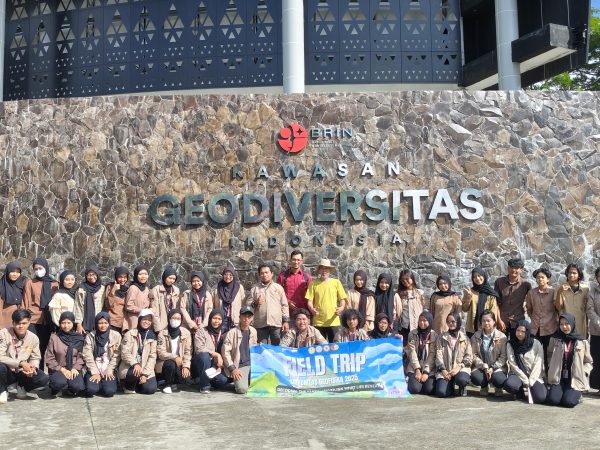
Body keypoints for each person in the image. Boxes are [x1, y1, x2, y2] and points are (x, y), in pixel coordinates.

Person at [0, 309, 49, 403]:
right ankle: (2, 390)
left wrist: (32, 368)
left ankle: (21, 386)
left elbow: (35, 357)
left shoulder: (33, 338)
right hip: (7, 371)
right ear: (13, 323)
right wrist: (20, 363)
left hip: (22, 372)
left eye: (24, 323)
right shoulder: (3, 334)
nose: (21, 326)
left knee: (43, 379)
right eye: (18, 323)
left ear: (29, 323)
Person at [547, 313, 593, 408]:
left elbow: (588, 361)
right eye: (561, 324)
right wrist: (551, 367)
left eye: (567, 323)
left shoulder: (582, 341)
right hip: (558, 379)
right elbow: (549, 354)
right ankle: (562, 392)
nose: (564, 327)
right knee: (553, 400)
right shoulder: (555, 339)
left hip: (575, 379)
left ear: (572, 324)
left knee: (568, 402)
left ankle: (577, 395)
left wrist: (584, 372)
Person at [22, 257, 58, 366]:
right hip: (33, 320)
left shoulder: (54, 284)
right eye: (36, 269)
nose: (38, 271)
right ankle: (28, 370)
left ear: (46, 268)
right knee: (30, 347)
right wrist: (24, 319)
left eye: (40, 268)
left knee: (43, 347)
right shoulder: (30, 282)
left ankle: (39, 371)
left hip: (47, 320)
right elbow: (25, 301)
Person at [504, 320, 546, 404]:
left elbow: (538, 364)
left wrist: (531, 381)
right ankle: (519, 391)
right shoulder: (511, 344)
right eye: (518, 330)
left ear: (527, 332)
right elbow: (513, 364)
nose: (520, 334)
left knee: (540, 397)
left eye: (523, 331)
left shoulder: (536, 343)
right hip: (517, 374)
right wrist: (525, 380)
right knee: (510, 386)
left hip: (534, 375)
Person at [44, 311, 85, 396]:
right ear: (60, 324)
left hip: (73, 368)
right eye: (63, 323)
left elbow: (81, 357)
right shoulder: (54, 337)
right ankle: (56, 388)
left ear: (73, 323)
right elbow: (49, 358)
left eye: (69, 323)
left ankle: (68, 389)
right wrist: (62, 369)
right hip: (58, 369)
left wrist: (75, 368)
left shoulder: (79, 338)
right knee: (58, 383)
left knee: (77, 387)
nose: (66, 326)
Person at [247, 264, 289, 345]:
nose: (264, 275)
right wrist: (256, 302)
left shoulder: (278, 288)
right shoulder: (254, 289)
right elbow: (248, 306)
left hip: (276, 324)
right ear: (259, 275)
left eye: (266, 272)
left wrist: (285, 321)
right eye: (262, 273)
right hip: (260, 325)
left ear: (272, 274)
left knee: (276, 348)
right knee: (262, 348)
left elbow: (284, 305)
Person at [306, 259, 346, 342]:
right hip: (318, 321)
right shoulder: (313, 284)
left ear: (329, 270)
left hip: (333, 321)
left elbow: (342, 299)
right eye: (322, 268)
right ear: (319, 270)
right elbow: (309, 301)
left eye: (326, 268)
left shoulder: (336, 282)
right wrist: (312, 309)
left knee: (335, 346)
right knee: (319, 347)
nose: (324, 271)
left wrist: (341, 308)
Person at [119, 309, 158, 395]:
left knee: (150, 389)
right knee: (134, 372)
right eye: (144, 319)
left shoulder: (152, 336)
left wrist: (145, 374)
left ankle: (138, 385)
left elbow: (152, 357)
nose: (147, 322)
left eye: (149, 320)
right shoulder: (130, 334)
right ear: (139, 319)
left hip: (145, 368)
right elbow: (124, 353)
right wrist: (135, 364)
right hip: (131, 366)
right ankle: (128, 386)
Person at [526, 267, 557, 372]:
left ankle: (549, 376)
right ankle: (537, 376)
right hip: (536, 329)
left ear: (548, 279)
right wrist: (535, 320)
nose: (540, 279)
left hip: (550, 329)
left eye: (542, 277)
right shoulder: (531, 293)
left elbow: (557, 308)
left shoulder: (553, 292)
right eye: (538, 277)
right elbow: (529, 309)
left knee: (549, 355)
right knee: (535, 354)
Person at [82, 312, 121, 398]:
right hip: (94, 367)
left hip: (108, 367)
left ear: (109, 323)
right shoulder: (90, 336)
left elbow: (116, 356)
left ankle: (102, 384)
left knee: (109, 392)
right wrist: (95, 372)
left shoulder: (116, 335)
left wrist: (109, 370)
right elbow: (87, 355)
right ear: (96, 323)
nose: (103, 326)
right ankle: (96, 384)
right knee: (91, 390)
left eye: (105, 323)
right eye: (100, 323)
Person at [469, 310, 507, 396]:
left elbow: (504, 356)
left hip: (497, 367)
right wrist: (484, 366)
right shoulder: (476, 336)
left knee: (499, 380)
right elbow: (474, 355)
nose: (486, 323)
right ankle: (484, 386)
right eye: (483, 321)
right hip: (481, 366)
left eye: (488, 320)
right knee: (476, 378)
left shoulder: (502, 337)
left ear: (494, 322)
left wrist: (493, 367)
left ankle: (498, 387)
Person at [192, 310, 230, 393]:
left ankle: (206, 380)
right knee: (204, 356)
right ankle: (204, 386)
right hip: (203, 362)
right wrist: (216, 354)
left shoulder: (225, 333)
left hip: (217, 365)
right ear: (210, 319)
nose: (216, 321)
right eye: (214, 318)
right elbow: (199, 348)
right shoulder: (202, 331)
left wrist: (220, 366)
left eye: (219, 319)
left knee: (222, 380)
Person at [434, 312, 472, 398]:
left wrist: (458, 367)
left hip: (460, 369)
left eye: (453, 321)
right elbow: (438, 355)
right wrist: (443, 370)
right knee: (441, 392)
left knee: (462, 380)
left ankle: (462, 386)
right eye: (448, 321)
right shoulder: (441, 337)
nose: (450, 324)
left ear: (458, 322)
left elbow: (469, 357)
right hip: (446, 370)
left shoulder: (465, 338)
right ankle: (450, 385)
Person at [221, 306, 257, 394]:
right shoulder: (232, 332)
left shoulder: (253, 331)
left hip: (252, 365)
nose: (246, 319)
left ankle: (248, 380)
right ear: (240, 317)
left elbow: (254, 348)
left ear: (252, 318)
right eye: (244, 316)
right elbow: (225, 352)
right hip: (240, 366)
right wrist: (233, 368)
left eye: (249, 317)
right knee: (242, 389)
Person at [156, 309, 192, 394]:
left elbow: (188, 352)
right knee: (171, 364)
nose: (175, 320)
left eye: (178, 318)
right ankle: (167, 384)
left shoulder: (186, 333)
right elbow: (161, 353)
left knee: (186, 380)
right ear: (169, 318)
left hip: (180, 363)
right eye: (173, 318)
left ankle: (174, 382)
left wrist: (186, 366)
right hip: (165, 362)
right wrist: (174, 357)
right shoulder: (162, 333)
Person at [494, 258, 531, 337]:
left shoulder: (526, 284)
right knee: (500, 343)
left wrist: (526, 306)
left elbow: (531, 300)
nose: (513, 270)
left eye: (516, 268)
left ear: (521, 270)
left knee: (516, 343)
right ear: (507, 268)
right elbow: (496, 303)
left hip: (518, 322)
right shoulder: (499, 282)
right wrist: (499, 321)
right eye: (511, 267)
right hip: (502, 321)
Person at [406, 311, 437, 395]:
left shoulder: (434, 335)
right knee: (414, 389)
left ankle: (424, 383)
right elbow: (412, 353)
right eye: (420, 320)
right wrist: (417, 370)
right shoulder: (412, 334)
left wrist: (426, 372)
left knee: (429, 390)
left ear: (430, 321)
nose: (422, 323)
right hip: (414, 366)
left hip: (429, 368)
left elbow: (432, 355)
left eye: (424, 320)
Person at [462, 268, 499, 337]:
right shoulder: (470, 291)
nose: (477, 278)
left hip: (486, 327)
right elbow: (464, 309)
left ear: (484, 276)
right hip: (472, 327)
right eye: (474, 277)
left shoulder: (490, 293)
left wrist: (492, 326)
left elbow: (493, 312)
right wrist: (468, 298)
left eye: (479, 276)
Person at [555, 263, 589, 337]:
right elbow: (558, 307)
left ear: (579, 275)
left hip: (581, 324)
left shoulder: (585, 289)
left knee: (580, 343)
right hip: (566, 326)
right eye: (569, 272)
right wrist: (559, 292)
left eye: (574, 273)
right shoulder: (560, 288)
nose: (571, 275)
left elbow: (588, 309)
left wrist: (587, 327)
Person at [276, 250, 312, 318]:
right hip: (286, 313)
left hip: (303, 314)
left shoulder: (307, 277)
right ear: (290, 260)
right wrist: (287, 302)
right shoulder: (282, 276)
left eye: (298, 260)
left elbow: (311, 295)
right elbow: (277, 293)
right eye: (294, 259)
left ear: (301, 261)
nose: (296, 262)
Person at [396, 269, 427, 343]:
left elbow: (424, 308)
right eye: (402, 280)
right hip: (405, 326)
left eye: (407, 279)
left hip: (418, 325)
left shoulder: (420, 293)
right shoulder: (399, 294)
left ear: (412, 278)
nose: (405, 281)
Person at [212, 267, 245, 333]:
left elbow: (243, 302)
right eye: (226, 274)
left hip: (234, 320)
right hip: (220, 320)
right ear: (223, 275)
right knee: (220, 338)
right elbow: (212, 304)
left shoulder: (239, 288)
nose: (228, 277)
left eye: (230, 275)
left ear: (234, 275)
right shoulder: (216, 288)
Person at [75, 265, 105, 334]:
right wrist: (78, 324)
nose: (91, 277)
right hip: (84, 323)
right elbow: (78, 306)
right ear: (86, 276)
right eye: (89, 275)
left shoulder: (102, 289)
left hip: (99, 322)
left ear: (97, 274)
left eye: (93, 274)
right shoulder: (81, 289)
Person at [150, 267, 180, 333]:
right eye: (170, 278)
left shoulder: (176, 290)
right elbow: (154, 310)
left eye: (174, 279)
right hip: (161, 323)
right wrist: (157, 327)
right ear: (164, 277)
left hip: (172, 322)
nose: (172, 280)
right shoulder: (156, 290)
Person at [123, 266, 150, 331]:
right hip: (133, 320)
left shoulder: (146, 289)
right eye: (140, 274)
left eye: (145, 274)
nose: (143, 276)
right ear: (136, 275)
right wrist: (142, 310)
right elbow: (128, 306)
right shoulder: (133, 288)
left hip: (144, 320)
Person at [0, 261, 26, 329]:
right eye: (12, 271)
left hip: (18, 322)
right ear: (7, 272)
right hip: (5, 322)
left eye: (18, 272)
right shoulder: (2, 286)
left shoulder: (20, 285)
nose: (15, 274)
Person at [104, 266, 130, 333]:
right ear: (116, 277)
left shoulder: (128, 290)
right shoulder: (110, 287)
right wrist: (113, 290)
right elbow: (108, 305)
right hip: (111, 321)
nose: (122, 279)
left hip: (122, 323)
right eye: (120, 277)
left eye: (125, 277)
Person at [587, 267, 600, 391]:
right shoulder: (593, 292)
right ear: (597, 278)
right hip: (596, 332)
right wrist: (598, 322)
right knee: (597, 358)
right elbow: (590, 310)